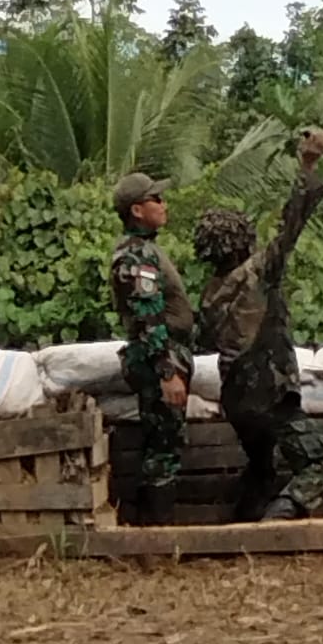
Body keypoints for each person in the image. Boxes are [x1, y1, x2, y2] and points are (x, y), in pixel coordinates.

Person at [193, 128, 323, 522]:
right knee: (318, 463)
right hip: (269, 394)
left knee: (262, 468)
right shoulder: (258, 273)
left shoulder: (210, 293)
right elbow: (292, 224)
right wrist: (307, 165)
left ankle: (239, 524)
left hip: (237, 400)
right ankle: (278, 522)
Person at [110, 172, 195, 524]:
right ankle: (156, 536)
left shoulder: (147, 251)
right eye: (155, 200)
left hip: (166, 355)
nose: (164, 204)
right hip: (158, 359)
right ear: (137, 210)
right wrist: (167, 371)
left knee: (162, 445)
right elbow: (147, 317)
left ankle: (150, 531)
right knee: (163, 449)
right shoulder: (136, 256)